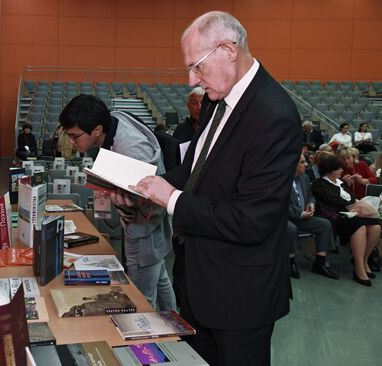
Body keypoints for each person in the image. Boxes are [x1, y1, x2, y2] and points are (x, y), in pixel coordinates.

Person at [127, 11, 301, 365]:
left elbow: (252, 221)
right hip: (196, 282)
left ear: (228, 49)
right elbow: (195, 172)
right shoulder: (213, 99)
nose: (192, 79)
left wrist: (171, 198)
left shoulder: (274, 116)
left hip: (240, 299)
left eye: (197, 67)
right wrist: (145, 188)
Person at [58, 94, 176, 311]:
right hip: (144, 226)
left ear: (96, 130)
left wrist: (129, 200)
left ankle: (147, 340)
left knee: (141, 299)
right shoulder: (112, 124)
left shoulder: (131, 149)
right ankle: (175, 326)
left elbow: (154, 201)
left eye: (75, 136)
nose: (71, 141)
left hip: (144, 227)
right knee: (160, 278)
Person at [311, 155, 380, 287]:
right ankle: (359, 269)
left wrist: (355, 205)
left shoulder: (340, 182)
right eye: (339, 168)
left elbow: (351, 198)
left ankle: (364, 261)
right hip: (334, 217)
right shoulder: (319, 184)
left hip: (351, 214)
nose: (342, 170)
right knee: (359, 226)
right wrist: (356, 205)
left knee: (376, 226)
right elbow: (336, 200)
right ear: (329, 170)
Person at [288, 154, 339, 280]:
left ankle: (320, 263)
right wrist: (300, 213)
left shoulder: (304, 178)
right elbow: (280, 205)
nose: (306, 164)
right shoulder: (281, 181)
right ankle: (290, 262)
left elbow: (310, 195)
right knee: (291, 228)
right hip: (285, 218)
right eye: (302, 162)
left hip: (303, 217)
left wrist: (311, 203)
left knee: (325, 224)